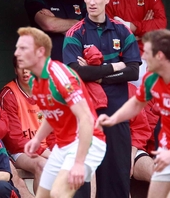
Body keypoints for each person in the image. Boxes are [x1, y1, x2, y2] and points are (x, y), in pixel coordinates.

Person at [97, 29, 170, 198]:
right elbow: (136, 103)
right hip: (168, 149)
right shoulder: (151, 78)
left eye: (146, 53)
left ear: (159, 55)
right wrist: (113, 119)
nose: (143, 57)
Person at [64, 0, 140, 198]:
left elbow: (133, 70)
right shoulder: (75, 33)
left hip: (117, 116)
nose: (92, 2)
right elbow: (76, 72)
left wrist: (97, 75)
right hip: (85, 117)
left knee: (116, 180)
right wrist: (115, 66)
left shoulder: (122, 31)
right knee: (83, 183)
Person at [14, 27, 105, 198]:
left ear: (40, 52)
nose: (17, 53)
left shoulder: (60, 75)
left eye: (23, 48)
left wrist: (79, 161)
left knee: (58, 193)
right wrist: (37, 139)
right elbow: (52, 114)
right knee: (43, 195)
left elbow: (86, 119)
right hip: (64, 145)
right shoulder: (35, 81)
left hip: (89, 142)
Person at [0, 56, 51, 195]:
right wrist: (47, 153)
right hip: (20, 151)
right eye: (21, 67)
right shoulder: (9, 94)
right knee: (43, 165)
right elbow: (14, 140)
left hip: (44, 149)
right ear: (16, 70)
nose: (26, 72)